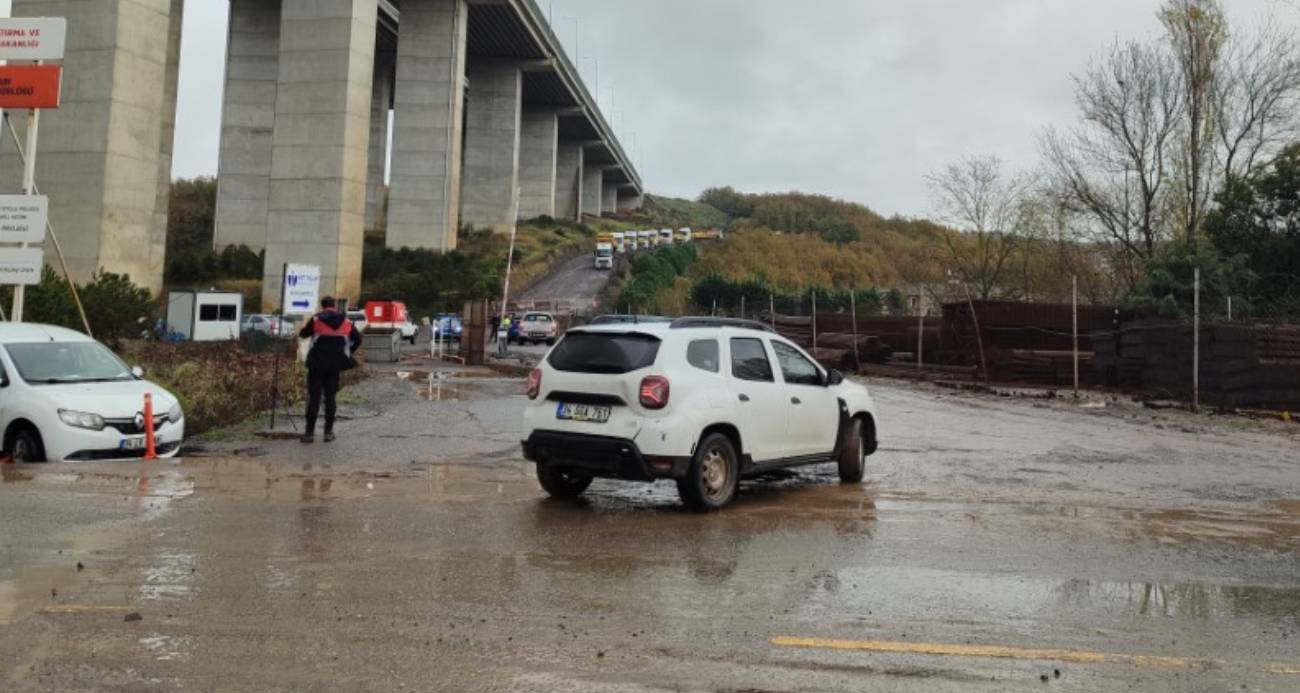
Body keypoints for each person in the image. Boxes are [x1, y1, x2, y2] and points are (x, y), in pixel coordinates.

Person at [298, 297, 361, 444]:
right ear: (334, 306)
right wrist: (348, 352)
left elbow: (304, 334)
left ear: (323, 306)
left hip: (316, 365)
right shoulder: (346, 322)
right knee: (330, 398)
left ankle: (309, 434)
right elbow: (357, 339)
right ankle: (328, 433)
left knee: (314, 398)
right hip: (335, 365)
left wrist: (303, 330)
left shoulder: (316, 320)